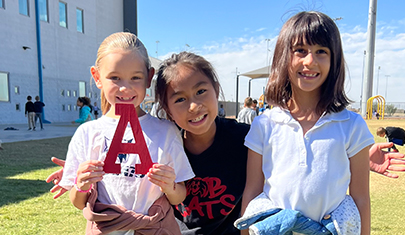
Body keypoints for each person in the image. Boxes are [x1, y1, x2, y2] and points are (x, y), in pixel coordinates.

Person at [238, 11, 373, 235]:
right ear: (283, 56)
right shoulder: (264, 124)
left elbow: (361, 197)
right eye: (300, 50)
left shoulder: (352, 125)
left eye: (321, 51)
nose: (310, 61)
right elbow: (252, 190)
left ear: (334, 60)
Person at [58, 32, 195, 234]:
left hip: (155, 228)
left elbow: (179, 196)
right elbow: (78, 202)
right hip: (106, 228)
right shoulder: (87, 133)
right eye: (115, 78)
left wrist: (169, 186)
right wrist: (81, 185)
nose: (125, 88)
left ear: (149, 78)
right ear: (97, 77)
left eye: (135, 78)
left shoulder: (166, 131)